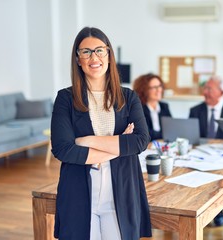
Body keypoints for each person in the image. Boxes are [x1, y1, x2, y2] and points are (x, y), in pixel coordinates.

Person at [51, 27, 152, 240]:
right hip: (78, 191)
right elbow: (63, 149)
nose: (93, 57)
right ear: (78, 59)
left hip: (121, 191)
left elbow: (141, 141)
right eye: (85, 52)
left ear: (108, 55)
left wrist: (86, 141)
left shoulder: (128, 97)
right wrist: (119, 144)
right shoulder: (65, 98)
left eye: (99, 50)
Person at [189, 76, 223, 227]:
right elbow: (190, 137)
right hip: (198, 156)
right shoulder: (195, 111)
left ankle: (218, 210)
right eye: (204, 88)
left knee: (220, 176)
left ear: (221, 92)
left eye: (209, 89)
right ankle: (196, 210)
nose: (205, 92)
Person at [133, 73, 172, 140]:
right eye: (154, 87)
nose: (159, 90)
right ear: (144, 90)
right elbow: (144, 134)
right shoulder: (139, 109)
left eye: (160, 86)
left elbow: (171, 129)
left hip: (163, 146)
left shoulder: (164, 106)